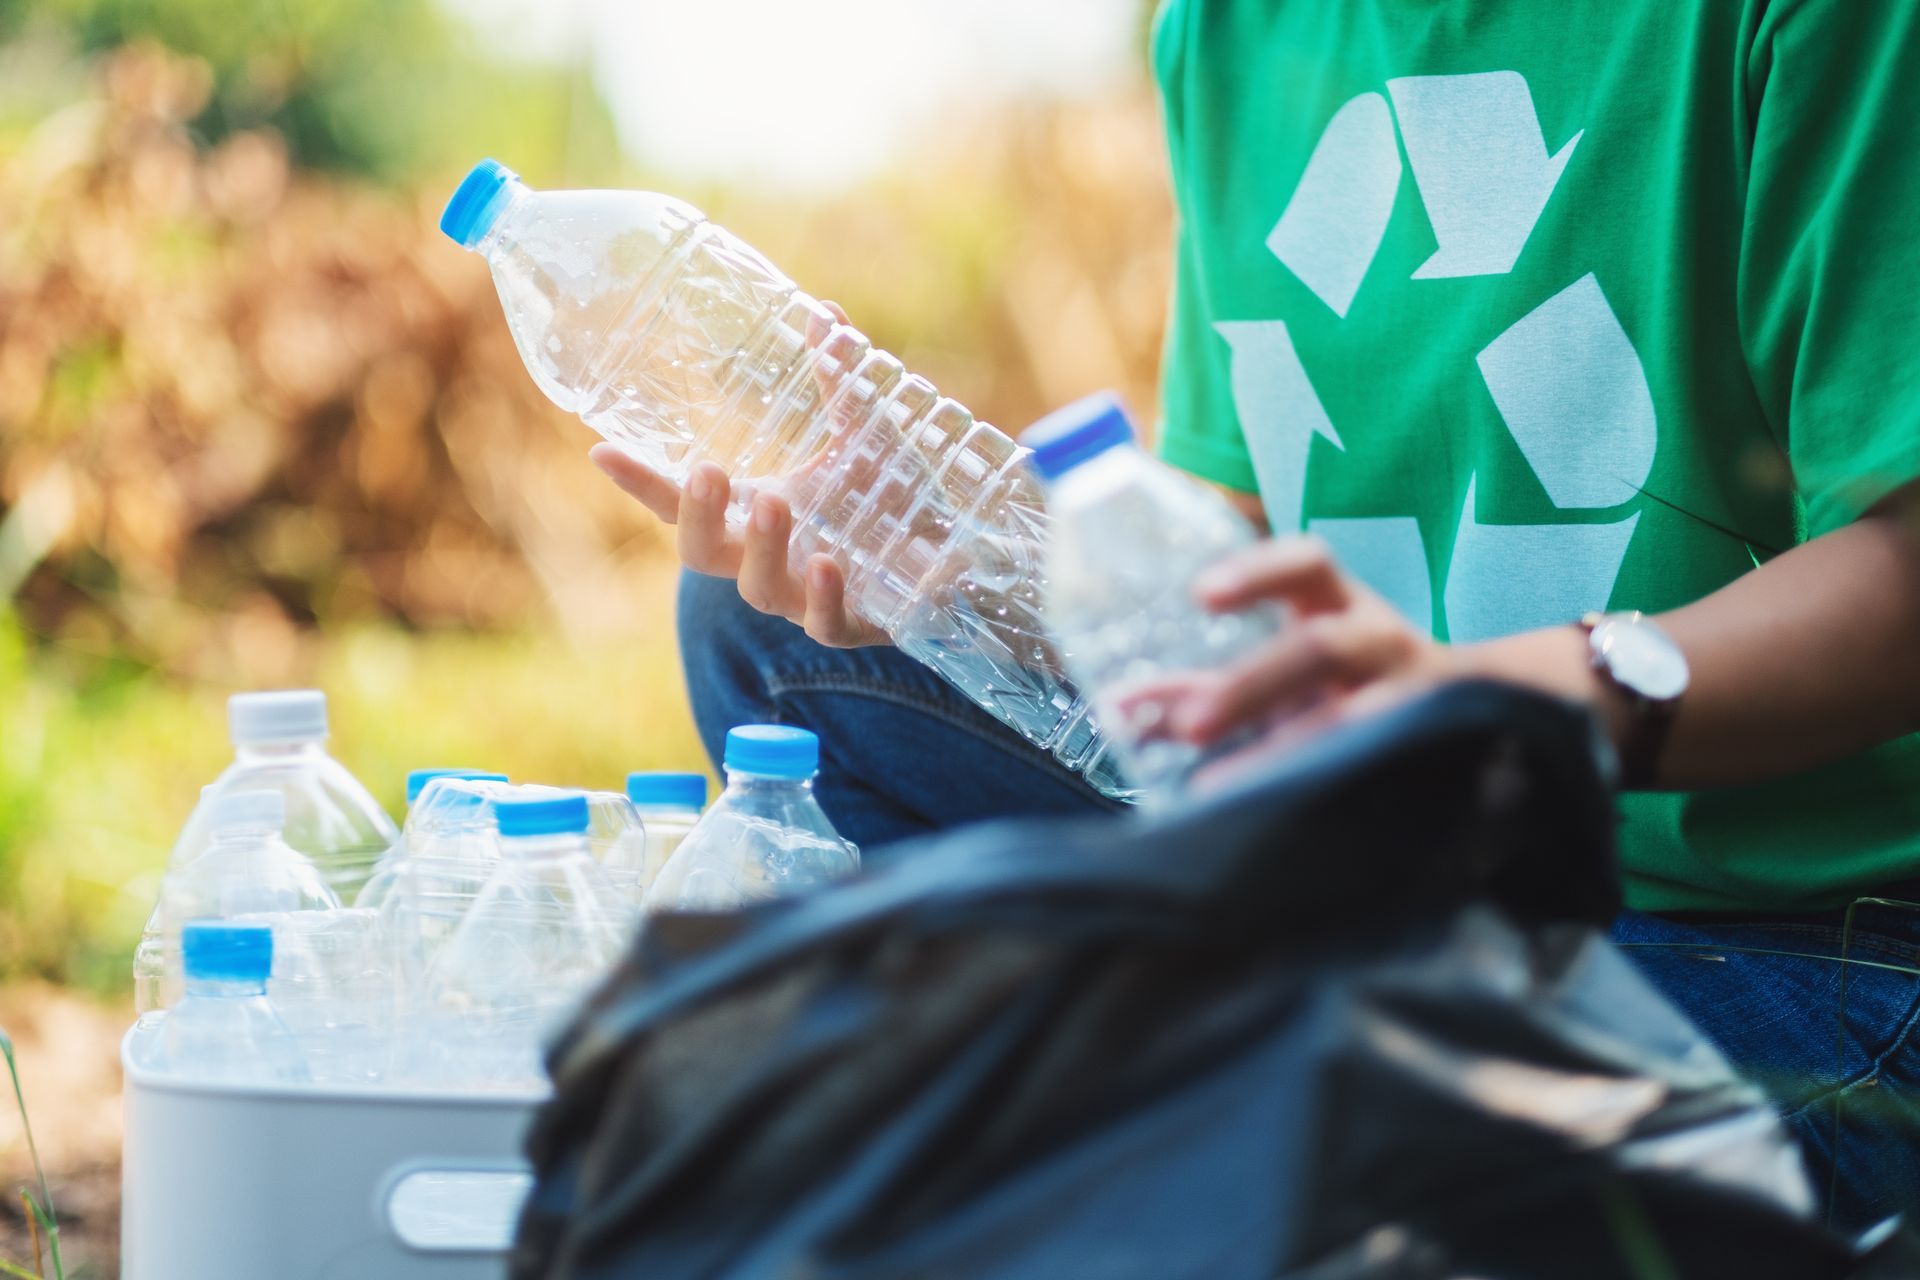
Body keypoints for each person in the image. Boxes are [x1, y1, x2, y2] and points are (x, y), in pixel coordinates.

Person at [594, 0, 1920, 1234]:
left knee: (1195, 1116)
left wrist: (1504, 702)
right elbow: (1242, 533)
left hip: (1787, 943)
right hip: (1389, 870)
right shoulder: (1232, 30)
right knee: (770, 639)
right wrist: (977, 583)